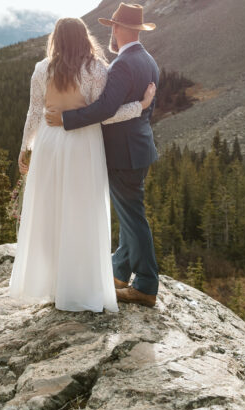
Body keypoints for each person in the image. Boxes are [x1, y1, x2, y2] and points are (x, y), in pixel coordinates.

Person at [9, 16, 155, 312]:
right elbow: (106, 113)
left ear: (56, 39)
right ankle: (81, 283)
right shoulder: (95, 69)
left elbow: (34, 112)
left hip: (49, 144)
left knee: (51, 211)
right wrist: (139, 106)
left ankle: (53, 283)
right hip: (82, 145)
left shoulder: (41, 69)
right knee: (81, 212)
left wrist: (26, 147)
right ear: (84, 38)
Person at [44, 2, 160, 307]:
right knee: (129, 214)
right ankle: (119, 272)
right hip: (140, 149)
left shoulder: (123, 64)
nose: (111, 32)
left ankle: (147, 284)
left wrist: (66, 120)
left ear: (120, 29)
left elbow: (106, 109)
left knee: (133, 219)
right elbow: (137, 112)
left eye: (113, 27)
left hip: (124, 154)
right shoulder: (149, 61)